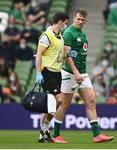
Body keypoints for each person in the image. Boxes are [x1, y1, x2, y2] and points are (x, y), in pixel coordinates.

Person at [52, 9, 114, 143]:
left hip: (82, 73)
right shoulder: (69, 33)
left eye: (83, 20)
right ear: (74, 18)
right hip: (70, 73)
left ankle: (97, 134)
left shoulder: (83, 34)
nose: (80, 21)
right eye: (78, 19)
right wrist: (76, 72)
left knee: (91, 101)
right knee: (64, 104)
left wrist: (80, 73)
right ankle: (56, 134)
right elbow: (66, 55)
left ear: (86, 21)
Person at [35, 12, 69, 143]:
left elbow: (56, 54)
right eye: (65, 22)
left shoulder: (59, 36)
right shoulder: (46, 35)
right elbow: (39, 55)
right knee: (58, 100)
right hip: (47, 72)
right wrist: (38, 73)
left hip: (57, 72)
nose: (66, 25)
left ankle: (43, 132)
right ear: (60, 22)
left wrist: (67, 55)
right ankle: (45, 128)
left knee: (50, 104)